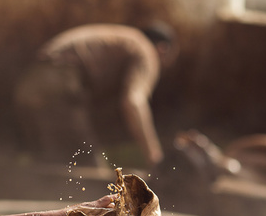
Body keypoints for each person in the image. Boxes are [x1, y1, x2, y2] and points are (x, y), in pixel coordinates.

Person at [14, 22, 178, 170]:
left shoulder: (124, 38)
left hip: (29, 84)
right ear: (162, 49)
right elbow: (134, 102)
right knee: (88, 171)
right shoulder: (146, 50)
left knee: (50, 167)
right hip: (58, 82)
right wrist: (155, 157)